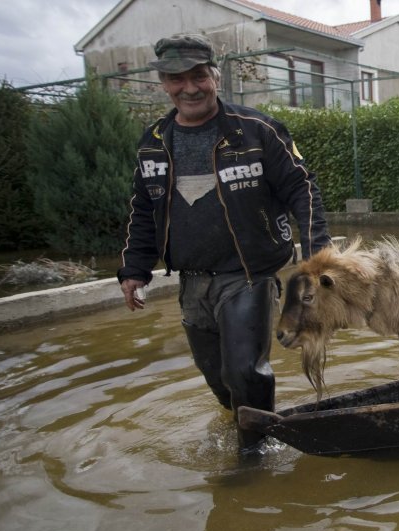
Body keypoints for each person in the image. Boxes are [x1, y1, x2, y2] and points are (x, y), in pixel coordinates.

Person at [117, 34, 331, 454]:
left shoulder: (257, 130)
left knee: (245, 371)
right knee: (217, 377)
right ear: (163, 83)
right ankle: (242, 421)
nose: (189, 87)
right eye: (177, 79)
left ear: (215, 76)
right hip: (193, 281)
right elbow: (144, 209)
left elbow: (302, 189)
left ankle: (255, 455)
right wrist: (134, 269)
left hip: (247, 274)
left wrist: (316, 255)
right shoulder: (154, 141)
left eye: (198, 76)